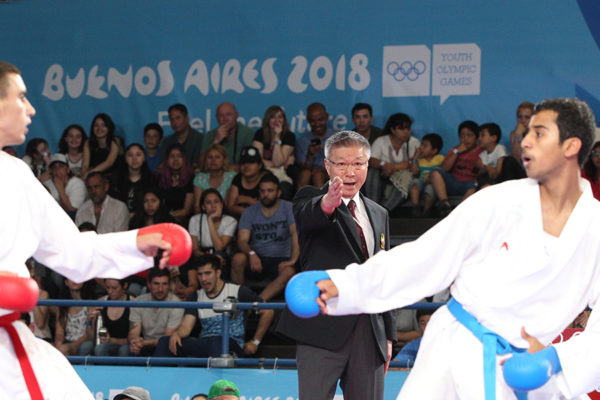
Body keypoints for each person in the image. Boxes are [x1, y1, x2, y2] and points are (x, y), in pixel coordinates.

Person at [315, 98, 600, 399]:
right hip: (454, 351)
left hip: (530, 368)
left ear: (571, 146)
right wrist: (344, 285)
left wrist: (558, 361)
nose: (525, 142)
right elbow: (423, 259)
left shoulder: (595, 229)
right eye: (526, 133)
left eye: (539, 133)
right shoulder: (497, 201)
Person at [0, 61, 173, 399]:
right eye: (21, 97)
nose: (31, 109)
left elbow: (72, 253)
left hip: (11, 345)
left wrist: (139, 243)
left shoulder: (16, 174)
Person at [276, 130, 395, 400]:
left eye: (357, 163)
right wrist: (327, 204)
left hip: (369, 332)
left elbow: (384, 273)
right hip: (321, 327)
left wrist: (388, 335)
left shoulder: (379, 213)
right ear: (328, 166)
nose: (350, 171)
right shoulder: (308, 199)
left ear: (367, 164)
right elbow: (311, 215)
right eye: (341, 164)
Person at [154, 254, 274, 358]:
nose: (203, 279)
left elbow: (268, 311)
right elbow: (186, 326)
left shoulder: (238, 291)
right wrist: (177, 333)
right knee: (165, 342)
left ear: (218, 273)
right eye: (200, 274)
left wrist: (255, 342)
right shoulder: (196, 296)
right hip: (205, 344)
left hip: (232, 347)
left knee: (216, 341)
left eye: (207, 273)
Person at [231, 174, 299, 301]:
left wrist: (293, 260)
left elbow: (296, 234)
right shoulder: (249, 211)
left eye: (270, 191)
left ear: (278, 192)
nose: (265, 195)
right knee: (238, 258)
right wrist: (251, 254)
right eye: (262, 191)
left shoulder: (289, 208)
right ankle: (240, 302)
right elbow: (242, 240)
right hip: (257, 258)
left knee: (289, 272)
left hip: (280, 259)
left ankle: (257, 303)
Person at [368, 113, 421, 211]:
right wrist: (383, 165)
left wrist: (391, 167)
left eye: (408, 129)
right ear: (392, 129)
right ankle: (372, 208)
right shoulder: (381, 141)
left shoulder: (414, 142)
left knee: (407, 178)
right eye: (402, 129)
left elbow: (412, 163)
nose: (406, 132)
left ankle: (385, 209)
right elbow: (371, 160)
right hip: (383, 176)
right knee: (373, 172)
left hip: (400, 176)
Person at [430, 120, 483, 215]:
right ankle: (445, 205)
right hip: (454, 182)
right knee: (435, 172)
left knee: (474, 187)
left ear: (477, 137)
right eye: (462, 136)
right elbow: (445, 169)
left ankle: (458, 214)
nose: (465, 139)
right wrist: (456, 152)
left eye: (469, 135)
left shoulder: (482, 150)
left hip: (470, 184)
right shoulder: (455, 150)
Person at [128, 268, 184, 356]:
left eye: (164, 284)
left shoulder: (176, 304)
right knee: (126, 350)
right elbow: (133, 333)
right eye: (156, 284)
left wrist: (143, 343)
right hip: (144, 345)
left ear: (169, 286)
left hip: (165, 347)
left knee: (163, 350)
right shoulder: (138, 302)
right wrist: (135, 343)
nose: (160, 289)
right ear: (149, 285)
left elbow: (167, 339)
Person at [252, 105, 296, 199]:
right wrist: (277, 164)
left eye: (280, 117)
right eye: (272, 117)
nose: (276, 120)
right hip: (263, 173)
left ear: (284, 120)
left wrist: (277, 137)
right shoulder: (260, 134)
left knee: (285, 188)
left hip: (282, 175)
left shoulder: (289, 136)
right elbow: (257, 160)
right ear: (267, 120)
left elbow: (278, 162)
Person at [189, 188, 237, 265]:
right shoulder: (195, 220)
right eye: (208, 202)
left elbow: (219, 247)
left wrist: (210, 220)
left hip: (223, 256)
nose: (213, 206)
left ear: (222, 204)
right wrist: (210, 258)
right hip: (202, 255)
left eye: (216, 202)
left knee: (219, 255)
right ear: (203, 207)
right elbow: (195, 250)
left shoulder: (231, 221)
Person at [294, 102, 335, 189]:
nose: (317, 124)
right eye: (313, 121)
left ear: (327, 117)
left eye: (320, 120)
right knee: (308, 174)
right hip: (311, 173)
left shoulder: (337, 138)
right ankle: (302, 202)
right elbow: (303, 168)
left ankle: (321, 202)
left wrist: (324, 169)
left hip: (332, 173)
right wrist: (310, 154)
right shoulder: (302, 141)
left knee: (318, 174)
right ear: (308, 120)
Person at [202, 102, 255, 169]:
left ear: (236, 115)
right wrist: (215, 141)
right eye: (221, 115)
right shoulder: (209, 135)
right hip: (214, 176)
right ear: (217, 118)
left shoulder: (248, 133)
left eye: (228, 114)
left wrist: (225, 170)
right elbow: (202, 165)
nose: (225, 119)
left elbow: (251, 164)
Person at [110, 143, 157, 213]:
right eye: (130, 155)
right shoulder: (116, 179)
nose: (134, 158)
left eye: (138, 155)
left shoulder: (152, 179)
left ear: (144, 158)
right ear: (125, 159)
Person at [408, 133, 444, 217]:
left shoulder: (440, 158)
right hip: (422, 182)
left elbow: (443, 172)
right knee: (415, 183)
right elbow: (414, 172)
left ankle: (426, 211)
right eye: (421, 145)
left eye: (425, 146)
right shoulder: (420, 160)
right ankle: (415, 208)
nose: (421, 148)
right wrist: (415, 158)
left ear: (434, 151)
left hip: (433, 184)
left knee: (430, 189)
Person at [192, 143, 236, 213]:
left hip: (226, 217)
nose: (213, 160)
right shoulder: (200, 178)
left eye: (217, 157)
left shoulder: (232, 177)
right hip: (204, 217)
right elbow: (197, 207)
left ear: (224, 160)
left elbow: (228, 206)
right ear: (205, 160)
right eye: (210, 157)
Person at [224, 145, 265, 218]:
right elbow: (230, 207)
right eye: (243, 163)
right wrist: (250, 211)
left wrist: (248, 200)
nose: (246, 166)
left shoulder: (267, 178)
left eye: (251, 162)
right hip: (242, 220)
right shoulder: (237, 178)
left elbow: (269, 208)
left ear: (260, 165)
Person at [159, 143, 194, 225]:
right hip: (164, 221)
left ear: (184, 159)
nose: (175, 159)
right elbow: (160, 207)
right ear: (167, 160)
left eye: (179, 156)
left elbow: (186, 210)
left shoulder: (191, 179)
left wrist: (169, 216)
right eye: (172, 156)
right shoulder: (160, 179)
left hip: (184, 221)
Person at [160, 103, 204, 169]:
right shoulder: (166, 142)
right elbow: (164, 165)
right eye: (172, 119)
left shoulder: (200, 139)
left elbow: (200, 165)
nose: (175, 122)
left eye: (178, 118)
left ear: (187, 118)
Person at [43, 153, 87, 218]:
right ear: (51, 171)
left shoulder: (77, 184)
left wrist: (60, 189)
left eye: (61, 166)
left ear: (68, 169)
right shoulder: (47, 184)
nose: (57, 170)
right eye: (54, 167)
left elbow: (72, 212)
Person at [81, 113, 120, 179]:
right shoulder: (88, 142)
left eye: (103, 125)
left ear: (109, 128)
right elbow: (85, 165)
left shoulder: (115, 141)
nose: (99, 128)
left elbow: (109, 163)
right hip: (93, 178)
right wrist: (84, 176)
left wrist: (89, 173)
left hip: (113, 177)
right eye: (96, 125)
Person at [476, 122, 508, 188]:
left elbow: (498, 173)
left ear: (493, 138)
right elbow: (479, 166)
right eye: (478, 136)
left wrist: (488, 169)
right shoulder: (482, 155)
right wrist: (488, 168)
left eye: (482, 135)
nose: (479, 138)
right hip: (487, 180)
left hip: (500, 181)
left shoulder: (500, 149)